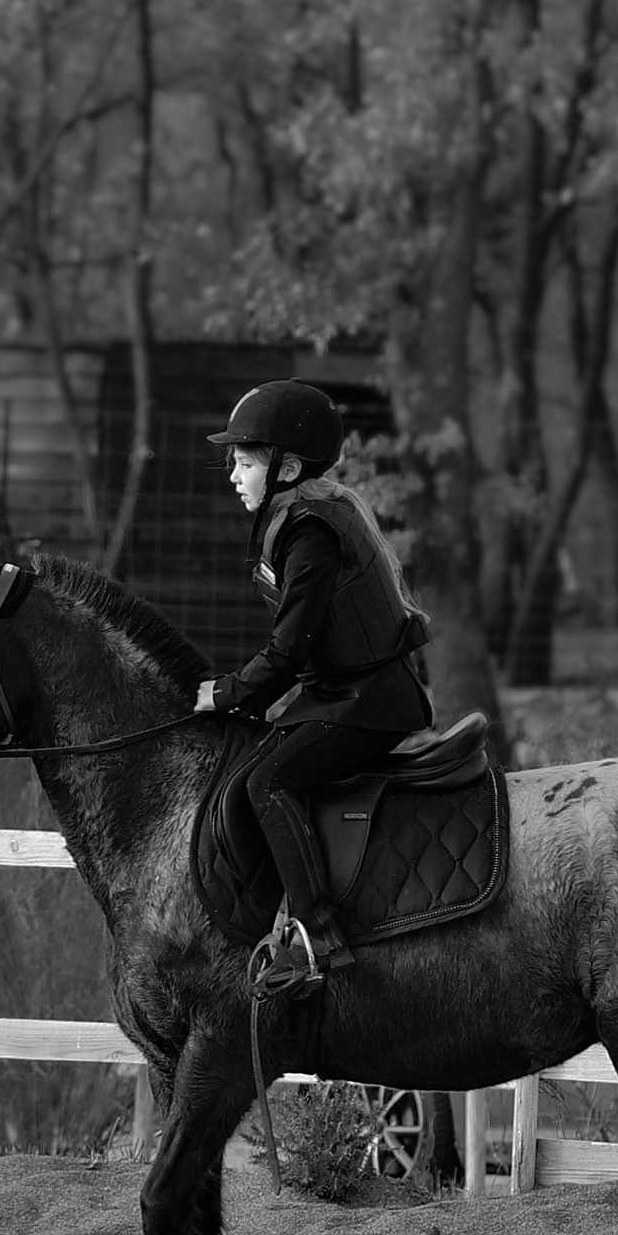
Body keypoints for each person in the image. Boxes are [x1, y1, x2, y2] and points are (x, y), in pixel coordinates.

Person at [194, 380, 433, 990]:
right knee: (251, 770)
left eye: (245, 463)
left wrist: (226, 693)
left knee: (269, 783)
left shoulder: (311, 532)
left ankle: (316, 937)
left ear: (288, 467)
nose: (234, 477)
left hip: (372, 701)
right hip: (340, 693)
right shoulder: (302, 514)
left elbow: (290, 647)